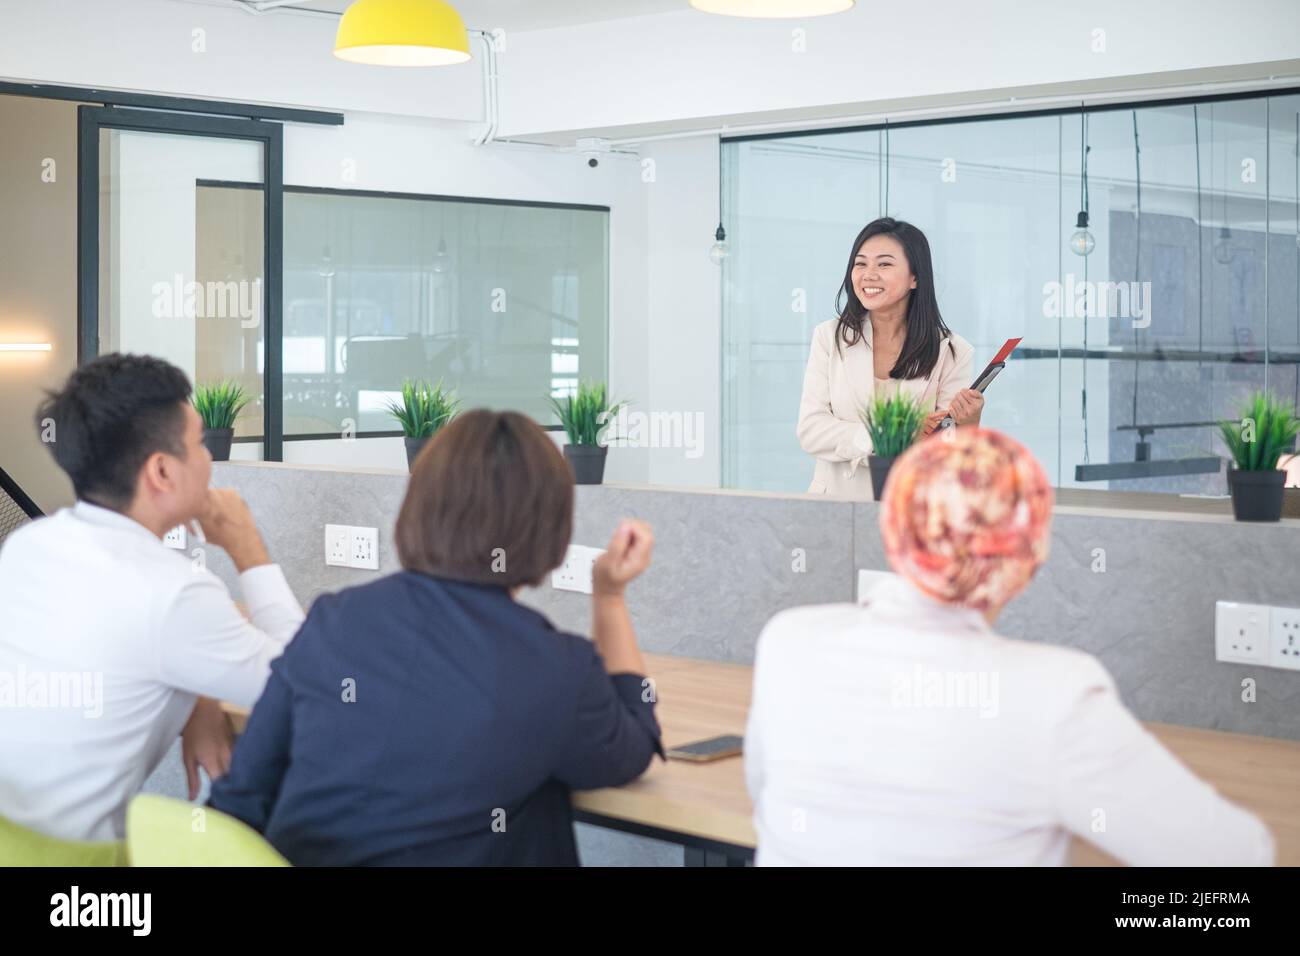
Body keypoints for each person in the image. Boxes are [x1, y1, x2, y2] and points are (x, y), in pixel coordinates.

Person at [745, 427, 1275, 866]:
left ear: (892, 530)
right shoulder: (1055, 697)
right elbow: (1238, 858)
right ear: (1029, 560)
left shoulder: (789, 643)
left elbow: (762, 793)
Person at [209, 410, 663, 866]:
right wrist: (609, 595)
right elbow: (632, 748)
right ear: (550, 531)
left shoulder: (334, 621)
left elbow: (241, 794)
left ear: (419, 506)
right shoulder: (554, 666)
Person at [0, 353, 303, 842]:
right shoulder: (175, 590)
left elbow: (118, 641)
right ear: (162, 471)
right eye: (200, 443)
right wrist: (248, 548)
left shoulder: (29, 544)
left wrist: (196, 693)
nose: (208, 459)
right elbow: (305, 687)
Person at [798, 217, 984, 497]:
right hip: (834, 505)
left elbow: (948, 456)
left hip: (910, 509)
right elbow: (811, 430)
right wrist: (888, 435)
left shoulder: (952, 350)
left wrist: (969, 422)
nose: (868, 274)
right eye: (860, 264)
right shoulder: (829, 337)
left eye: (884, 264)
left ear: (915, 277)